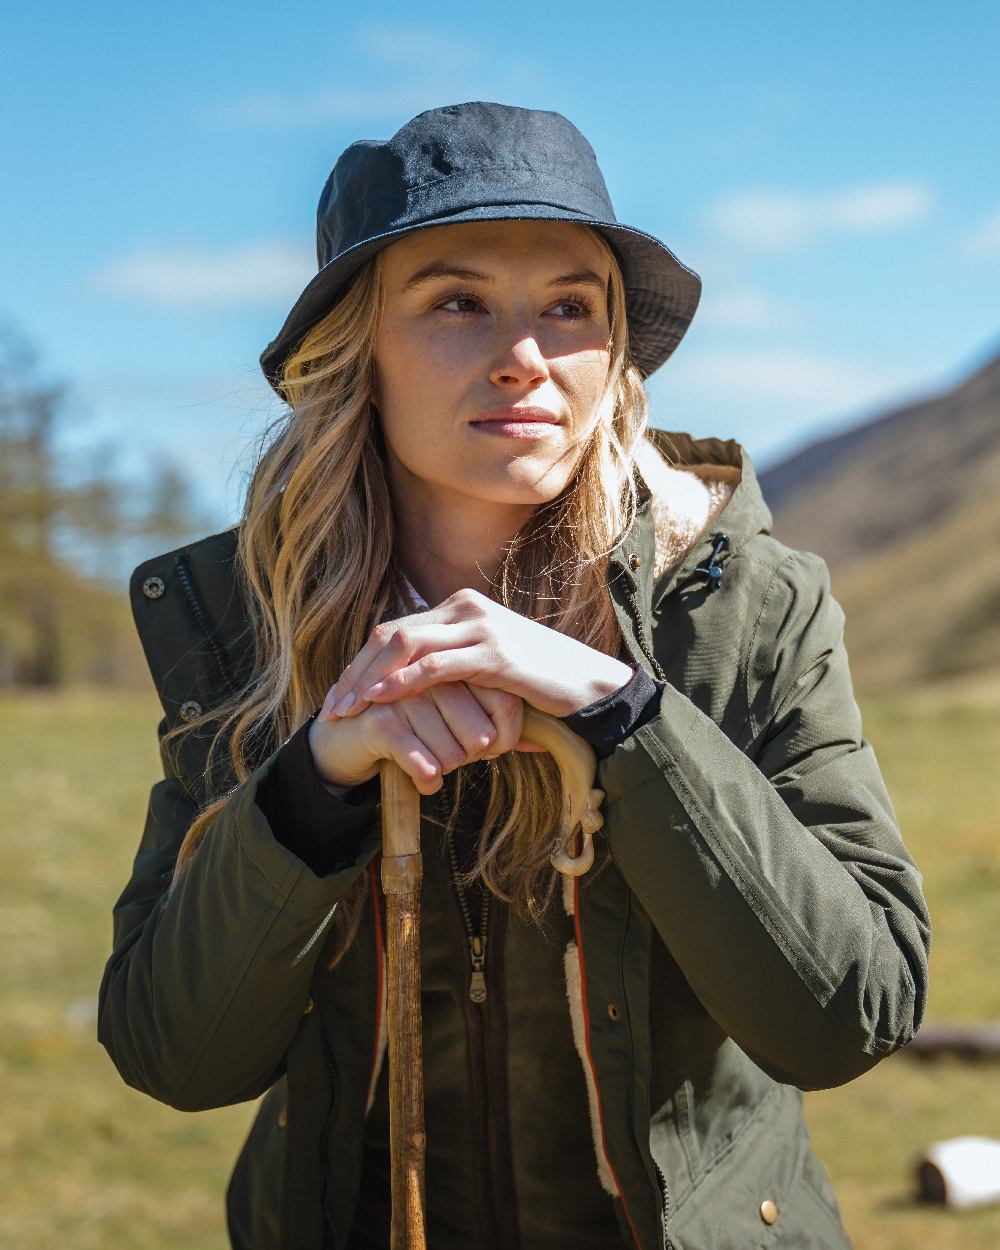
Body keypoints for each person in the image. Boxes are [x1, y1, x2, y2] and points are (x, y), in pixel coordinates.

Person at [98, 101, 930, 1250]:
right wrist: (313, 782)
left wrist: (625, 714)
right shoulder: (248, 625)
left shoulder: (746, 604)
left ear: (615, 347)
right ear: (359, 346)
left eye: (569, 307)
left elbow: (851, 1012)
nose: (525, 358)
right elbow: (171, 1053)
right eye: (456, 301)